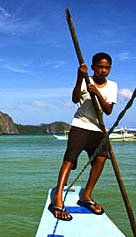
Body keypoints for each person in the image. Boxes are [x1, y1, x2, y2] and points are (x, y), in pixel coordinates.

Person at [48, 52, 118, 221]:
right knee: (69, 159)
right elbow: (74, 99)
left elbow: (108, 111)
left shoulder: (113, 86)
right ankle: (58, 199)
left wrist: (98, 94)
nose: (103, 70)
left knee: (101, 159)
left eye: (107, 67)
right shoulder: (86, 80)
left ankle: (86, 195)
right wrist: (80, 77)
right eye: (100, 67)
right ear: (93, 67)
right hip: (80, 125)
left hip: (98, 128)